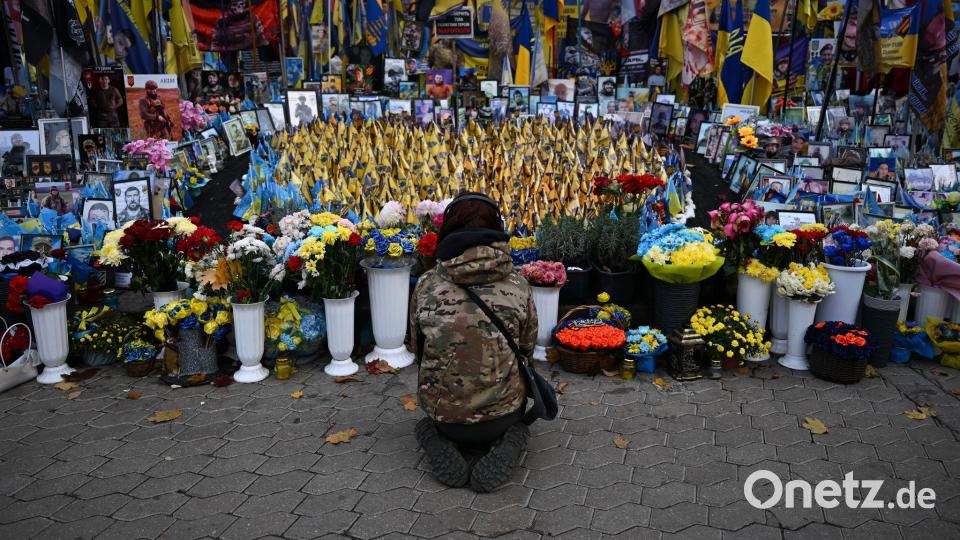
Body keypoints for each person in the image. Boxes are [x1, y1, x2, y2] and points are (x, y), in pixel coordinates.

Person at [410, 192, 536, 492]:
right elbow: (527, 348)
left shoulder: (427, 285)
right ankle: (510, 438)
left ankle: (438, 438)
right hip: (502, 415)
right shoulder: (518, 285)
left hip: (445, 416)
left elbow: (418, 350)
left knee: (429, 424)